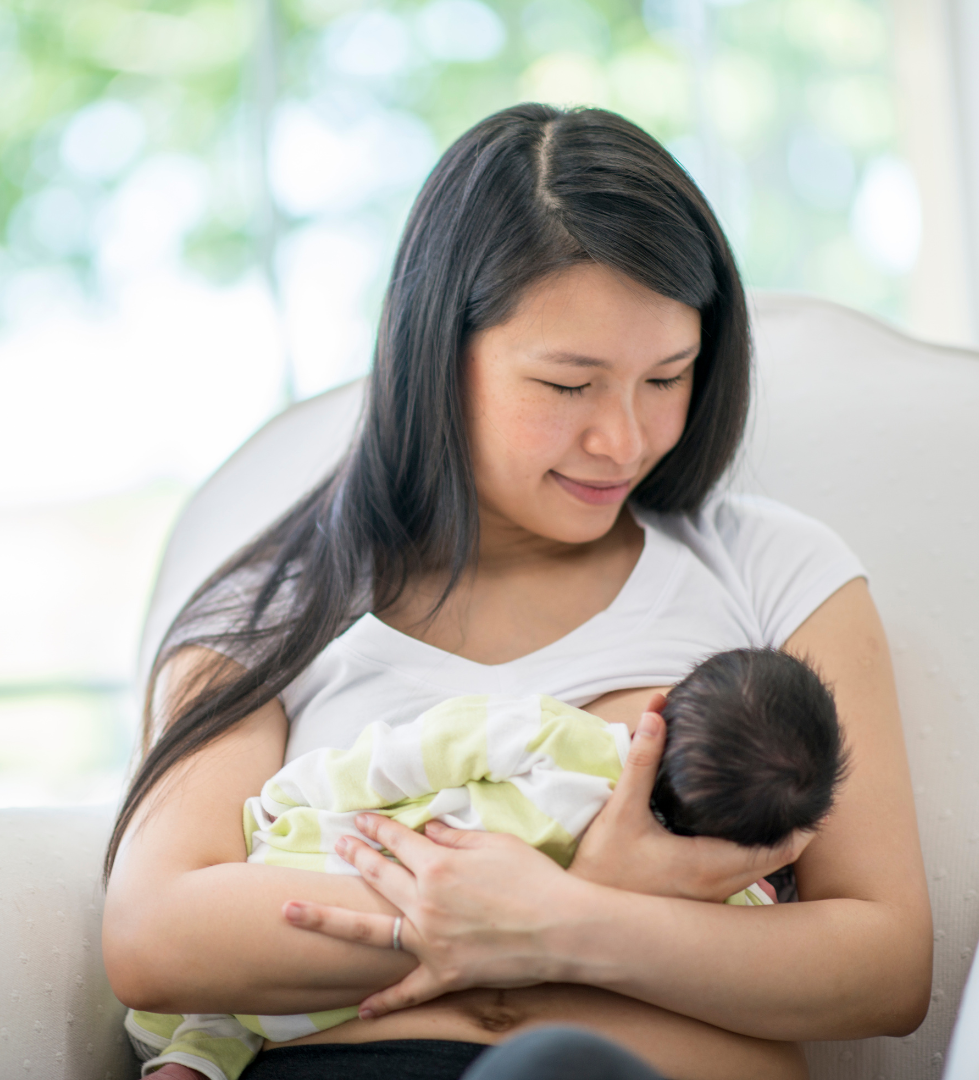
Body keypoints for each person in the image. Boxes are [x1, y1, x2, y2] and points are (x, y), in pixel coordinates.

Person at [102, 103, 933, 1080]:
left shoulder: (772, 569)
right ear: (437, 357)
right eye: (569, 386)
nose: (623, 440)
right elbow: (156, 935)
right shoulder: (275, 610)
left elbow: (886, 965)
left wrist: (571, 922)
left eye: (667, 377)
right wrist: (575, 888)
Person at [125, 647, 847, 1080]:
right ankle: (205, 1045)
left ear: (655, 711)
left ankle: (204, 1048)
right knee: (244, 1008)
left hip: (329, 988)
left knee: (240, 1019)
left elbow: (420, 748)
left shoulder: (560, 735)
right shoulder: (716, 878)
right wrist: (591, 902)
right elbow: (156, 941)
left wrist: (296, 797)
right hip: (340, 976)